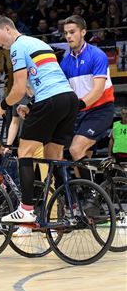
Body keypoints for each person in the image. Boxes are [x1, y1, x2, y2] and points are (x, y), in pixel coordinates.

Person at [0, 15, 77, 224]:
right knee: (54, 158)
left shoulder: (18, 46)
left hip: (51, 100)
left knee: (25, 153)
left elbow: (18, 90)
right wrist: (34, 106)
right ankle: (69, 209)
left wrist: (3, 106)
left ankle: (26, 210)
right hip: (68, 100)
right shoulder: (39, 43)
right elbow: (45, 81)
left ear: (8, 29)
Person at [60, 15, 115, 182]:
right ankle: (90, 198)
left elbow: (98, 91)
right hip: (80, 112)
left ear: (83, 32)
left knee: (76, 149)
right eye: (66, 33)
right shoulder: (65, 62)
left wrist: (76, 106)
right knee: (79, 158)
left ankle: (91, 195)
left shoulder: (97, 55)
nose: (68, 36)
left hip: (101, 110)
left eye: (72, 32)